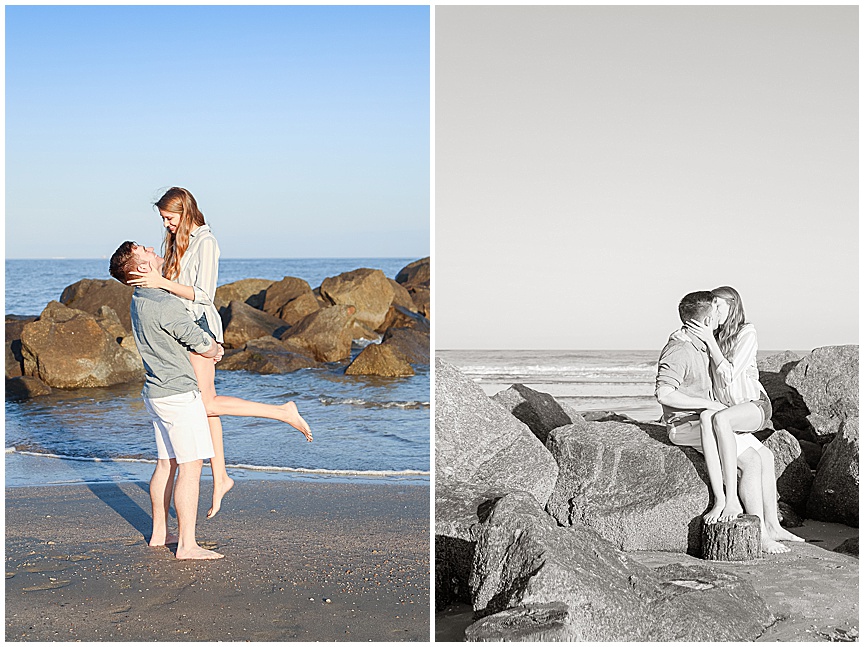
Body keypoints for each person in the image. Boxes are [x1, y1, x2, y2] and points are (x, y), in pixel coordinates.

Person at [128, 187, 312, 519]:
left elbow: (203, 294)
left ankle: (283, 412)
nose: (166, 225)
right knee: (205, 407)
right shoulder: (175, 240)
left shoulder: (206, 242)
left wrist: (160, 283)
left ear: (184, 212)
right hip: (181, 326)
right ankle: (222, 475)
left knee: (207, 404)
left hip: (198, 324)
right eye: (163, 220)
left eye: (170, 218)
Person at [655, 291, 800, 554]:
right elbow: (664, 393)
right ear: (709, 318)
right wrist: (709, 404)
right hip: (690, 424)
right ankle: (761, 535)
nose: (721, 317)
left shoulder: (702, 343)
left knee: (765, 455)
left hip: (709, 418)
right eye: (716, 312)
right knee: (751, 463)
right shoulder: (681, 348)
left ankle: (772, 524)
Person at [110, 241, 224, 560]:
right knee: (191, 466)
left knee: (167, 463)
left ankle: (160, 533)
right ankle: (187, 545)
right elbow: (194, 337)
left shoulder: (139, 299)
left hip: (156, 392)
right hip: (177, 394)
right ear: (142, 268)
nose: (151, 248)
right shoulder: (162, 301)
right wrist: (214, 348)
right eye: (144, 250)